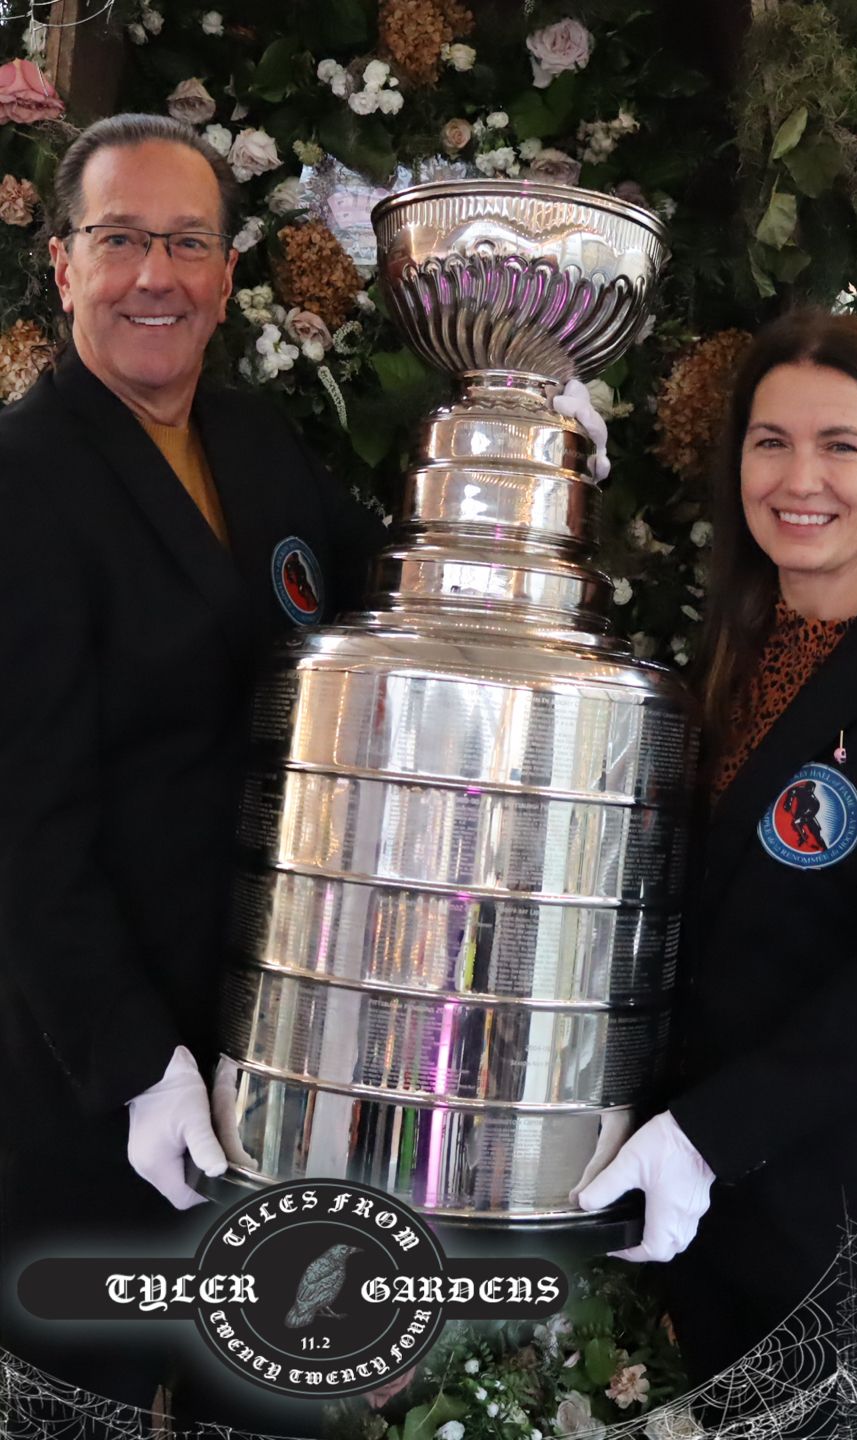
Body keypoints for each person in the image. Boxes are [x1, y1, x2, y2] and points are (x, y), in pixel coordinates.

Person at [0, 112, 383, 1425]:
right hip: (92, 1084)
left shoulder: (254, 439)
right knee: (84, 1407)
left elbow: (364, 580)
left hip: (265, 1058)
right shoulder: (20, 484)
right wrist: (136, 1066)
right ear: (62, 267)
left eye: (185, 241)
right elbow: (24, 829)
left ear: (226, 276)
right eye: (120, 240)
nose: (153, 274)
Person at [580, 310, 857, 1431]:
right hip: (710, 1203)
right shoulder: (742, 646)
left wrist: (704, 1137)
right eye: (769, 441)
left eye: (841, 444)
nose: (800, 478)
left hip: (845, 1207)